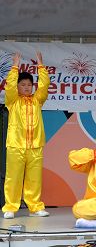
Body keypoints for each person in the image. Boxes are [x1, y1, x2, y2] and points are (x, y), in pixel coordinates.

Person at [2, 52, 50, 219]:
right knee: (13, 178)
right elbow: (8, 86)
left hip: (35, 145)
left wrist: (41, 67)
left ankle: (35, 207)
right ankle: (10, 207)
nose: (27, 87)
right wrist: (15, 67)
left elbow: (44, 86)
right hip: (16, 145)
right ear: (18, 87)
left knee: (34, 179)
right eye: (23, 85)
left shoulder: (37, 100)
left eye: (29, 85)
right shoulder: (12, 101)